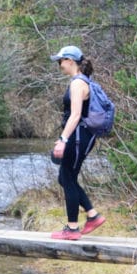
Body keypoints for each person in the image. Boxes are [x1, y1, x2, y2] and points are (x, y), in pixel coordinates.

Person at [49, 45, 105, 240]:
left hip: (78, 136)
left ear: (70, 61)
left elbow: (75, 115)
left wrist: (64, 140)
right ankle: (92, 215)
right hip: (80, 136)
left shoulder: (77, 84)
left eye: (60, 61)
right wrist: (65, 137)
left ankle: (72, 229)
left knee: (68, 178)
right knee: (65, 179)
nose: (59, 65)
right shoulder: (82, 81)